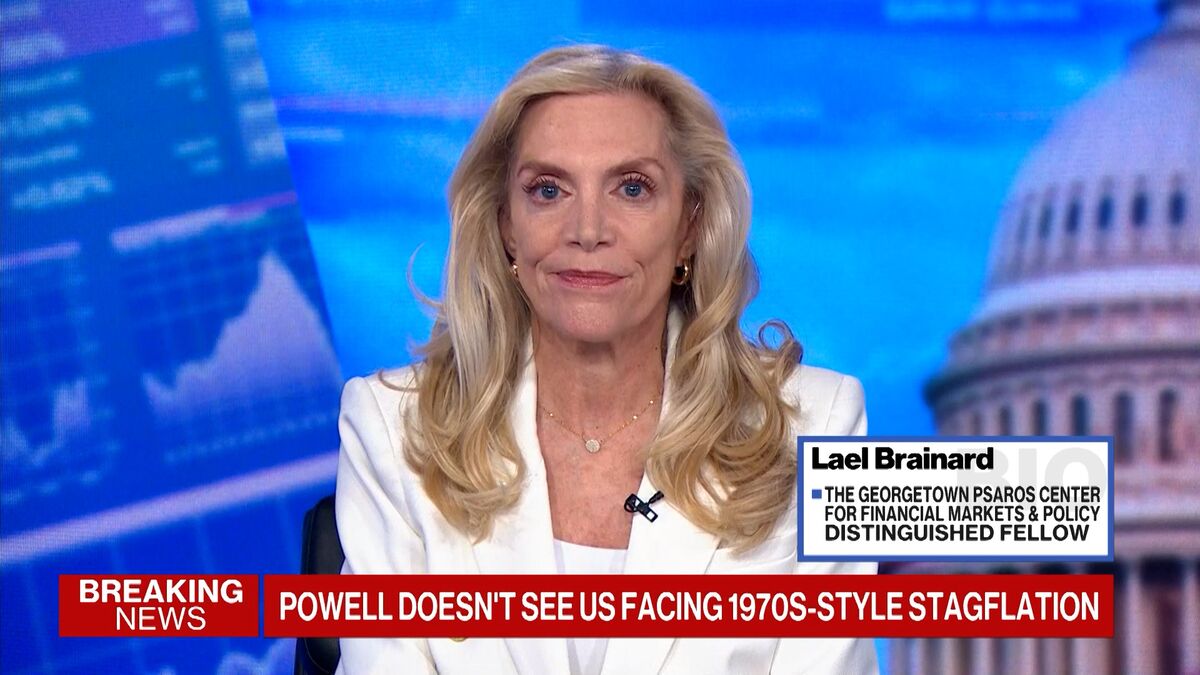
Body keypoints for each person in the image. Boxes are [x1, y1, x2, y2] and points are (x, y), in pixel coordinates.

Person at [334, 44, 877, 675]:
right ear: (506, 225)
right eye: (548, 190)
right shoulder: (391, 429)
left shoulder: (821, 426)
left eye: (632, 188)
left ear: (690, 226)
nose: (588, 229)